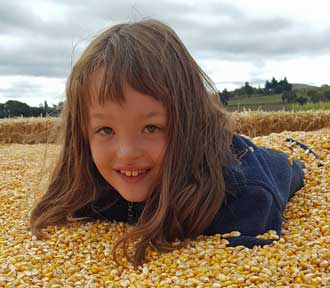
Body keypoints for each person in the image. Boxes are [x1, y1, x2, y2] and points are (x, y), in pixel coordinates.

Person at [29, 19, 320, 268]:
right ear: (82, 135)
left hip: (276, 161)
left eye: (151, 127)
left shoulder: (243, 194)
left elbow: (248, 266)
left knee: (283, 155)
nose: (127, 152)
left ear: (189, 123)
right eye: (106, 129)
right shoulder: (91, 186)